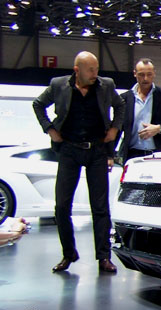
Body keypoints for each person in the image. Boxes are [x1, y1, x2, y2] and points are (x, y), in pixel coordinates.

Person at [32, 51, 124, 273]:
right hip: (69, 150)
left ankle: (104, 257)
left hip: (97, 151)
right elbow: (38, 104)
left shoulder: (106, 85)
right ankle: (69, 254)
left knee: (100, 207)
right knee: (62, 206)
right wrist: (50, 129)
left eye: (96, 69)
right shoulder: (58, 85)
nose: (95, 73)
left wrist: (114, 127)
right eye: (90, 70)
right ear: (77, 70)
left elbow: (120, 106)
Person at [118, 58, 161, 163]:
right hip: (132, 156)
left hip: (160, 155)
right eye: (141, 74)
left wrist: (159, 128)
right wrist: (109, 155)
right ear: (135, 74)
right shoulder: (125, 98)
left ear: (154, 73)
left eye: (149, 74)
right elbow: (117, 128)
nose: (145, 78)